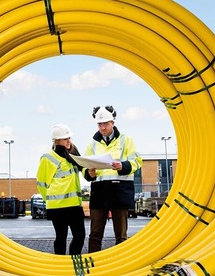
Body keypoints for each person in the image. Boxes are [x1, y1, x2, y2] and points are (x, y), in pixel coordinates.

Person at [83, 105, 142, 253]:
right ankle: (94, 268)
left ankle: (121, 266)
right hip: (99, 192)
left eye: (106, 124)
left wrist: (123, 166)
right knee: (95, 234)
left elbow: (137, 162)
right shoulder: (92, 144)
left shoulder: (126, 140)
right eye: (100, 124)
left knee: (121, 235)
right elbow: (84, 166)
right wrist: (89, 173)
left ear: (113, 123)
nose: (102, 127)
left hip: (119, 191)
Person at [36, 123, 86, 255]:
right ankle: (61, 267)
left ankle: (72, 262)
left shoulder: (73, 155)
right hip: (57, 207)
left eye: (69, 138)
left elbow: (83, 169)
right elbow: (41, 184)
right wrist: (50, 199)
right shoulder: (48, 158)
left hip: (74, 205)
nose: (69, 141)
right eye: (65, 139)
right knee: (61, 237)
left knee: (80, 236)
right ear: (56, 141)